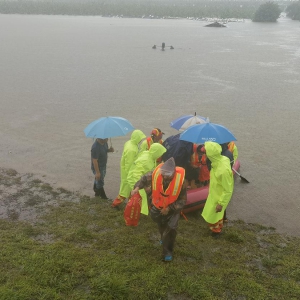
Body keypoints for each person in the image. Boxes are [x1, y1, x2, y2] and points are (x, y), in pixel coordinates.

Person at [131, 157, 187, 262]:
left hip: (173, 208)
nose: (165, 176)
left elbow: (183, 201)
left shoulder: (181, 182)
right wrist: (137, 188)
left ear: (173, 173)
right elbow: (143, 179)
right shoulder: (156, 174)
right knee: (161, 224)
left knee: (171, 228)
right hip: (158, 206)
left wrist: (169, 208)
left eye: (168, 174)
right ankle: (163, 237)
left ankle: (167, 252)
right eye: (163, 173)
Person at [201, 142, 234, 238]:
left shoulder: (222, 170)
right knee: (212, 213)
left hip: (219, 196)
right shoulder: (219, 161)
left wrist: (221, 203)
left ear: (210, 153)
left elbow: (228, 189)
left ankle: (217, 233)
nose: (204, 152)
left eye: (206, 151)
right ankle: (216, 229)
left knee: (215, 214)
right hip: (214, 191)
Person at [127, 143, 166, 215]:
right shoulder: (146, 160)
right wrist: (143, 187)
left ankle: (135, 209)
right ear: (156, 152)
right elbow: (136, 174)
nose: (160, 156)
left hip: (141, 179)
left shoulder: (150, 156)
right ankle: (139, 212)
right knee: (142, 196)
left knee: (139, 196)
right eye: (160, 153)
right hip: (135, 180)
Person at [112, 129, 146, 208]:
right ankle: (115, 204)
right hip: (128, 173)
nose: (141, 140)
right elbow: (129, 164)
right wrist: (131, 175)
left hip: (125, 171)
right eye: (140, 138)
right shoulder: (132, 149)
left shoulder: (129, 143)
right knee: (125, 191)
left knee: (127, 190)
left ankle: (129, 205)